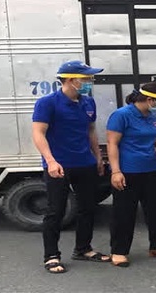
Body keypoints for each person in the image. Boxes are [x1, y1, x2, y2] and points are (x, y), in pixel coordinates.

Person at [31, 60, 110, 274]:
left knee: (87, 208)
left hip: (85, 163)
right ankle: (51, 256)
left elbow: (91, 130)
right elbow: (39, 133)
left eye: (89, 78)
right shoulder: (48, 103)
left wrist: (98, 157)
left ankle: (83, 249)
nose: (89, 82)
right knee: (55, 211)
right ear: (69, 79)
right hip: (59, 165)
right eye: (85, 78)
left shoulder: (88, 103)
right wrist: (51, 160)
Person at [106, 83, 156, 267]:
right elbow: (112, 143)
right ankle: (119, 251)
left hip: (151, 169)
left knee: (155, 210)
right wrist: (116, 171)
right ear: (150, 99)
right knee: (124, 213)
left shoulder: (151, 114)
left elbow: (149, 137)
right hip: (128, 170)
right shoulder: (121, 115)